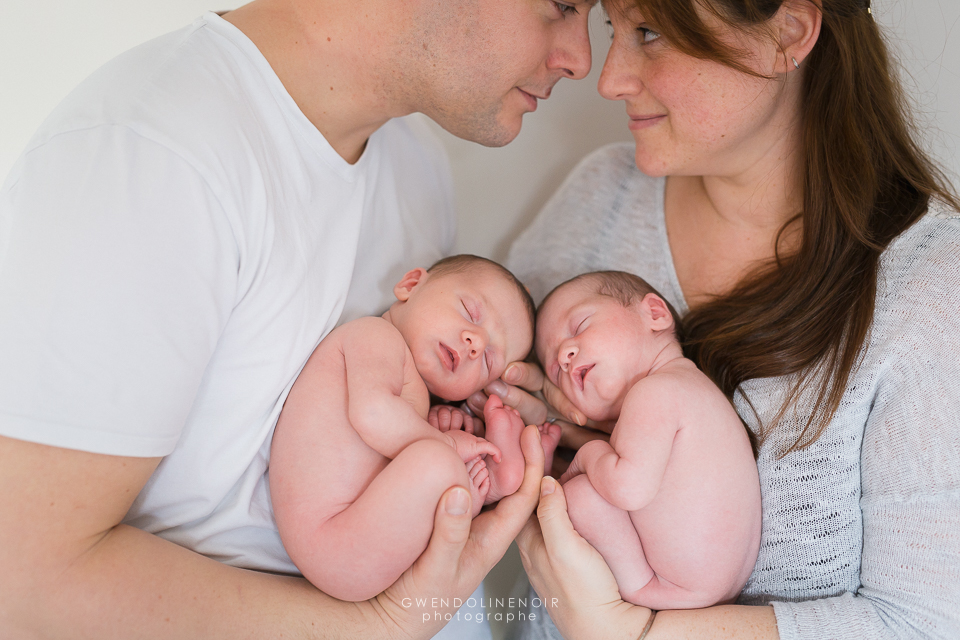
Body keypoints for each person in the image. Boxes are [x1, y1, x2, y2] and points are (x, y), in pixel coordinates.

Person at [0, 0, 597, 637]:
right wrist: (384, 626)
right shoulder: (151, 157)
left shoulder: (416, 162)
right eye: (561, 5)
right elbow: (25, 583)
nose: (582, 59)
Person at [467, 0, 960, 637]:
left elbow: (927, 623)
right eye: (611, 29)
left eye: (650, 33)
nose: (609, 77)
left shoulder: (931, 288)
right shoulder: (602, 200)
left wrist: (634, 633)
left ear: (790, 32)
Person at [271, 255, 562, 602]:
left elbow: (397, 441)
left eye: (488, 361)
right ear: (410, 285)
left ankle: (488, 483)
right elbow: (374, 413)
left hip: (362, 535)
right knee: (435, 461)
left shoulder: (416, 397)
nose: (476, 344)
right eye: (470, 312)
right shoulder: (374, 335)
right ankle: (472, 485)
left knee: (435, 459)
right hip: (332, 537)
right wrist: (447, 444)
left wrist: (445, 426)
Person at [534, 270, 760, 609]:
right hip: (726, 587)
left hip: (669, 588)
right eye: (554, 372)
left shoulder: (654, 392)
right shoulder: (691, 388)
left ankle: (638, 589)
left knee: (579, 496)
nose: (564, 357)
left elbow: (628, 488)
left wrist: (590, 453)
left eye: (579, 326)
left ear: (654, 315)